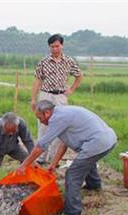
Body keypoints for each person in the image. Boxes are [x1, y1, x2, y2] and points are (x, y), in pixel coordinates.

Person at [16, 100, 117, 215]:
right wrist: (54, 164)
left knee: (72, 174)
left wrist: (24, 165)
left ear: (47, 113)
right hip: (107, 140)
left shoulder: (57, 119)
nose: (40, 122)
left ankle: (71, 213)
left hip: (99, 142)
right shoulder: (62, 113)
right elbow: (64, 143)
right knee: (86, 159)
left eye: (40, 118)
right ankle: (94, 185)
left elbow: (41, 146)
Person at [30, 34, 83, 164]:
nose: (55, 49)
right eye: (52, 46)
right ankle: (42, 157)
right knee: (43, 125)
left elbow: (79, 75)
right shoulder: (44, 62)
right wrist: (33, 98)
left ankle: (54, 158)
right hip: (46, 94)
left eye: (57, 46)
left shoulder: (69, 61)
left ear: (62, 46)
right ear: (49, 47)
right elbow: (37, 80)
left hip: (60, 96)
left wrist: (71, 89)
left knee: (60, 125)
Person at [0, 112, 35, 207]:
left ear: (17, 126)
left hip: (13, 146)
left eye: (14, 131)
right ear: (3, 126)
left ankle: (27, 187)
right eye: (8, 131)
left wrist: (33, 157)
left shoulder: (21, 124)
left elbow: (28, 141)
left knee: (28, 161)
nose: (11, 133)